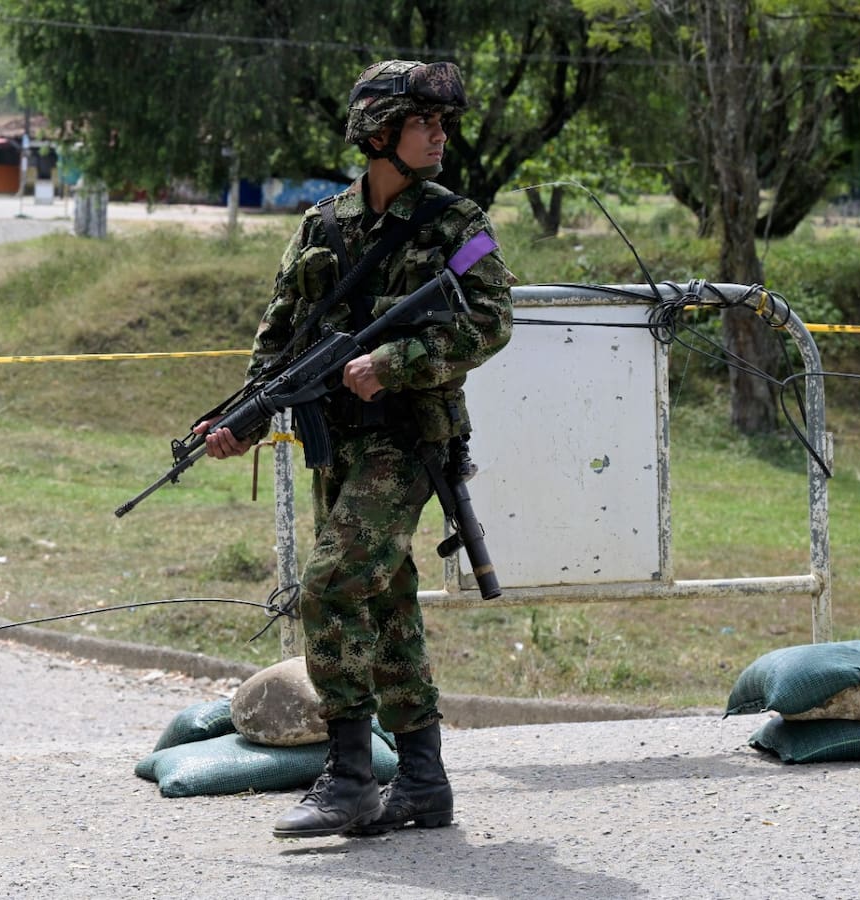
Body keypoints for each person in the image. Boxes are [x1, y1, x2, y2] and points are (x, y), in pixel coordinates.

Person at [195, 59, 514, 838]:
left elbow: (492, 318)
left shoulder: (456, 224)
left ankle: (348, 778)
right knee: (389, 600)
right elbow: (278, 343)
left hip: (407, 441)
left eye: (441, 124)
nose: (440, 136)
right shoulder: (321, 227)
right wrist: (241, 419)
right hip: (334, 444)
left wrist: (396, 363)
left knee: (333, 585)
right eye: (423, 123)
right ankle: (424, 783)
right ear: (380, 133)